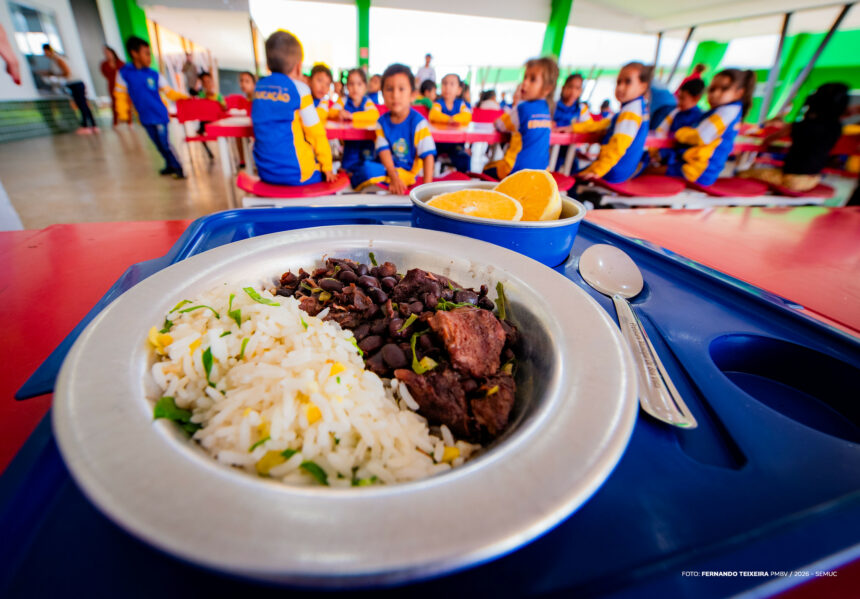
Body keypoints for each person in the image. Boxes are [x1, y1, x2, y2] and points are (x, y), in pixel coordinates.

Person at [252, 31, 333, 186]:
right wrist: (327, 166)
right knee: (329, 169)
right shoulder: (300, 90)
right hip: (295, 173)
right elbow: (316, 133)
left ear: (268, 65)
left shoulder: (258, 88)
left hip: (264, 172)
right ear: (298, 67)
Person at [740, 83, 849, 192]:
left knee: (743, 174)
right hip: (814, 179)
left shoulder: (801, 125)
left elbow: (768, 139)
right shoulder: (836, 127)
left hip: (792, 179)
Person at [351, 63, 436, 193]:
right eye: (389, 89)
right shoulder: (381, 122)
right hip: (388, 169)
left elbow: (428, 156)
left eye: (401, 89)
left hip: (407, 174)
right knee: (365, 166)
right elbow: (383, 151)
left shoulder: (418, 123)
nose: (395, 95)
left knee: (366, 171)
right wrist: (394, 177)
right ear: (382, 94)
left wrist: (426, 191)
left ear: (412, 95)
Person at [666, 68, 756, 187]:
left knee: (650, 172)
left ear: (739, 93)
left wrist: (679, 133)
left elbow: (701, 136)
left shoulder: (727, 112)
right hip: (700, 168)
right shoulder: (725, 111)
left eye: (724, 89)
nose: (714, 94)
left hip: (699, 171)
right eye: (712, 89)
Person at [114, 36, 187, 178]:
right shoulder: (124, 73)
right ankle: (169, 165)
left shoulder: (154, 74)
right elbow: (120, 95)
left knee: (165, 144)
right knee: (158, 145)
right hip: (145, 117)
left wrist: (184, 97)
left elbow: (169, 92)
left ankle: (178, 168)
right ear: (134, 53)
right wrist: (122, 113)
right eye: (146, 53)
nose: (149, 57)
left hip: (159, 115)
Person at [572, 62, 651, 183]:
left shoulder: (631, 112)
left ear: (643, 86)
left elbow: (618, 146)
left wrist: (598, 170)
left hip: (613, 170)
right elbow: (603, 124)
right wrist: (573, 128)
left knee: (573, 180)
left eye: (627, 82)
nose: (620, 87)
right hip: (621, 170)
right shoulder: (637, 108)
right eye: (619, 82)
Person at [483, 57, 558, 180]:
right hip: (543, 172)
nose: (525, 82)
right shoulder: (546, 108)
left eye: (532, 79)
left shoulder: (522, 108)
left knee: (486, 169)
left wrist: (514, 106)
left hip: (516, 169)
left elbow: (500, 124)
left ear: (547, 89)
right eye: (525, 77)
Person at [330, 68, 380, 173]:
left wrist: (353, 116)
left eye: (359, 84)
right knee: (348, 169)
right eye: (351, 84)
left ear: (365, 87)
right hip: (350, 146)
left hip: (366, 145)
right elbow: (331, 112)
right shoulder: (343, 100)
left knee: (365, 168)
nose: (355, 88)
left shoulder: (367, 102)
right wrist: (338, 113)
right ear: (347, 86)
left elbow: (374, 115)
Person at [42, 44, 97, 134]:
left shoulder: (57, 59)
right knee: (83, 104)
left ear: (49, 51)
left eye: (45, 52)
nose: (45, 54)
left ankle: (86, 126)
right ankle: (93, 126)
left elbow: (67, 72)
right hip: (75, 83)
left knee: (81, 105)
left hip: (76, 83)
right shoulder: (55, 60)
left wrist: (54, 76)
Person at [652, 78, 704, 167]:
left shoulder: (699, 118)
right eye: (678, 97)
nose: (678, 102)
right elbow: (663, 131)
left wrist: (665, 154)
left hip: (679, 158)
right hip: (666, 151)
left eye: (682, 98)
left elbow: (688, 146)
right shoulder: (677, 113)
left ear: (696, 99)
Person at [429, 73, 472, 172]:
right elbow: (433, 115)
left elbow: (467, 116)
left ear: (459, 90)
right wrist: (449, 119)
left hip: (455, 144)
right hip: (437, 144)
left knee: (464, 158)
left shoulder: (461, 104)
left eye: (452, 84)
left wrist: (454, 119)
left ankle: (465, 179)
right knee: (428, 155)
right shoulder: (438, 103)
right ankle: (429, 179)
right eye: (444, 84)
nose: (447, 87)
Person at [552, 73, 590, 171]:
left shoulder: (581, 109)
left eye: (577, 88)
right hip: (551, 148)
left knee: (573, 170)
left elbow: (588, 126)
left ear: (580, 91)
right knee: (551, 169)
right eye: (570, 87)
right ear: (563, 88)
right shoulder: (553, 106)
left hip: (570, 148)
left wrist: (575, 128)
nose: (573, 91)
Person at [100, 45, 126, 126]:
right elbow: (104, 74)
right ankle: (115, 121)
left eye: (108, 52)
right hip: (111, 85)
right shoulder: (104, 64)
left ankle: (128, 121)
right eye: (105, 53)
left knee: (125, 101)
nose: (107, 54)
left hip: (122, 86)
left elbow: (125, 74)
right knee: (114, 103)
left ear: (112, 53)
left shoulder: (120, 63)